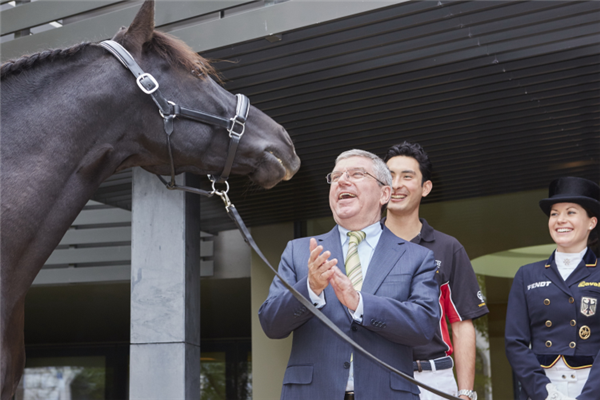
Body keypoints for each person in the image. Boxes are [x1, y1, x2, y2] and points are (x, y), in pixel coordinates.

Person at [259, 149, 440, 400]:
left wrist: (361, 303)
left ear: (384, 193)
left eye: (357, 174)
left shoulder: (417, 257)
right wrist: (310, 288)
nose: (342, 181)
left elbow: (423, 326)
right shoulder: (299, 252)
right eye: (335, 177)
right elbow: (271, 323)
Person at [382, 142, 489, 400]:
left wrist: (465, 393)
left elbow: (462, 323)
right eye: (389, 176)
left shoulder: (447, 248)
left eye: (407, 176)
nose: (396, 184)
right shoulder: (362, 245)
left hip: (435, 381)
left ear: (425, 188)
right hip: (378, 375)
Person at [505, 176, 600, 400]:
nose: (560, 220)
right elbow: (515, 342)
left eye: (570, 212)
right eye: (554, 213)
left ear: (591, 222)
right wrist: (546, 394)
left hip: (593, 387)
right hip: (543, 389)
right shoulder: (527, 275)